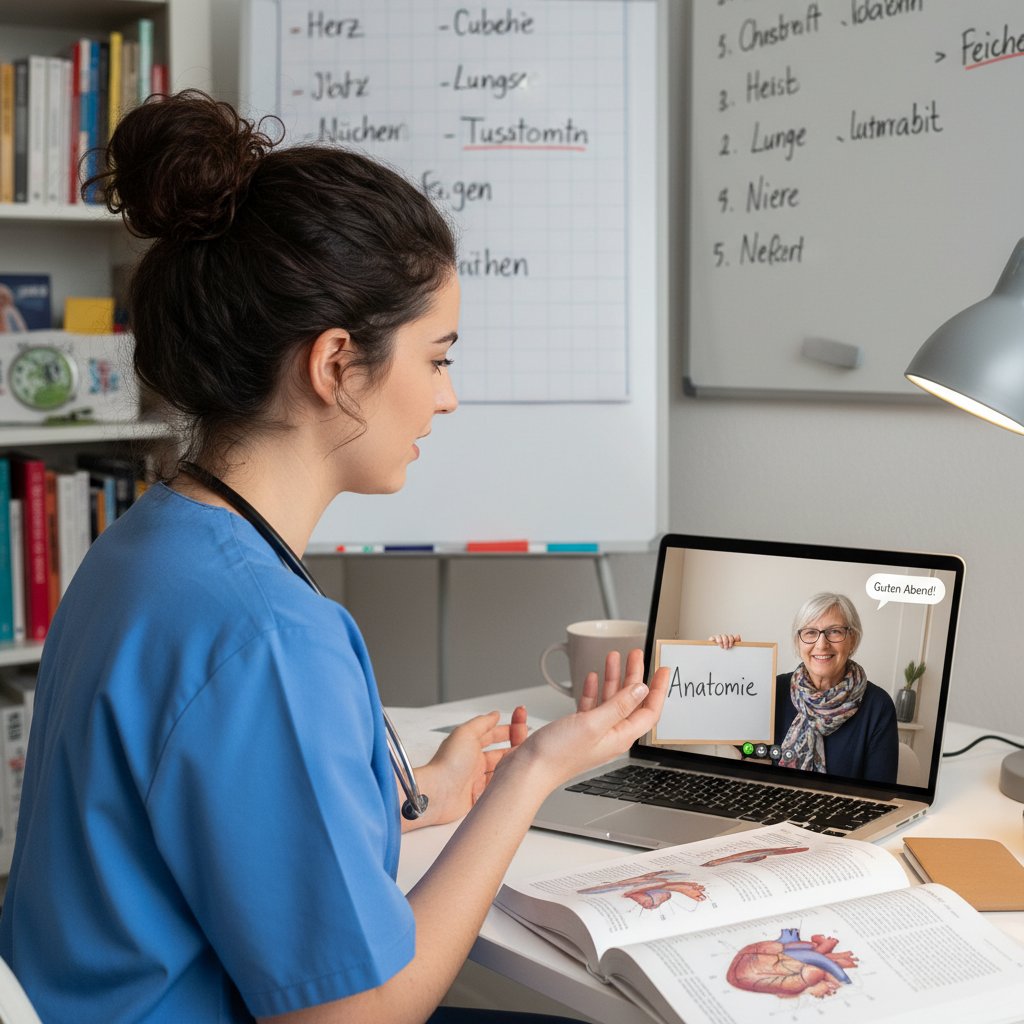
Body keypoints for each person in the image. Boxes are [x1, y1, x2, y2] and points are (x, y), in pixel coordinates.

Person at [0, 91, 669, 1024]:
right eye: (437, 359)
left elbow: (213, 815)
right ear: (335, 364)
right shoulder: (265, 634)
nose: (448, 399)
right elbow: (357, 1016)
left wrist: (417, 793)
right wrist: (533, 774)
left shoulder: (151, 545)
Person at [711, 592, 898, 784]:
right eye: (810, 632)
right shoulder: (774, 690)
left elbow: (880, 793)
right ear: (798, 642)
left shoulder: (878, 706)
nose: (822, 644)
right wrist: (722, 665)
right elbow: (743, 749)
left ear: (853, 639)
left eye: (835, 631)